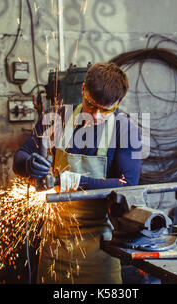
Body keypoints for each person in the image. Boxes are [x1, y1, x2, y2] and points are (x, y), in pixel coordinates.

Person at [13, 62, 142, 283]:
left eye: (106, 110)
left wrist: (68, 180)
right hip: (55, 243)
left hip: (99, 246)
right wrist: (28, 165)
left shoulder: (125, 130)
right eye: (91, 106)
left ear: (119, 102)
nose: (96, 116)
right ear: (83, 89)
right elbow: (20, 157)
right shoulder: (57, 118)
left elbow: (126, 184)